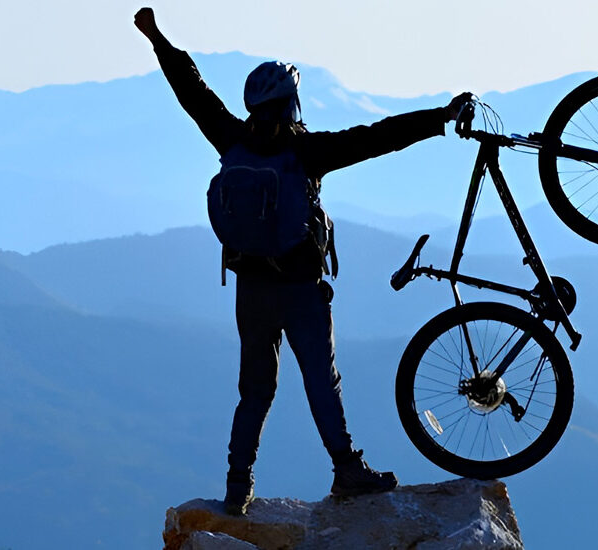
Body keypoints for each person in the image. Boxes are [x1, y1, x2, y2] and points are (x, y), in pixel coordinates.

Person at [134, 7, 471, 516]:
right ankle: (346, 469)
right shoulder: (307, 152)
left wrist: (156, 37)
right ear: (291, 103)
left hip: (250, 288)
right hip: (299, 289)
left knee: (255, 391)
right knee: (321, 379)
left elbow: (191, 89)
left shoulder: (230, 137)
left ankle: (237, 485)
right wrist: (440, 118)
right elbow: (379, 136)